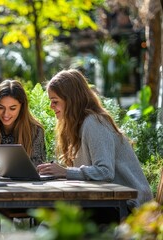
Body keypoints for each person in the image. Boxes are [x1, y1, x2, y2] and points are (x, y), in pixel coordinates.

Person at [37, 69, 153, 211]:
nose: (51, 106)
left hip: (130, 207)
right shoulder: (74, 126)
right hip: (107, 203)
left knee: (57, 216)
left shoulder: (94, 122)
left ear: (71, 99)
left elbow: (105, 172)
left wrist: (65, 172)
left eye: (55, 101)